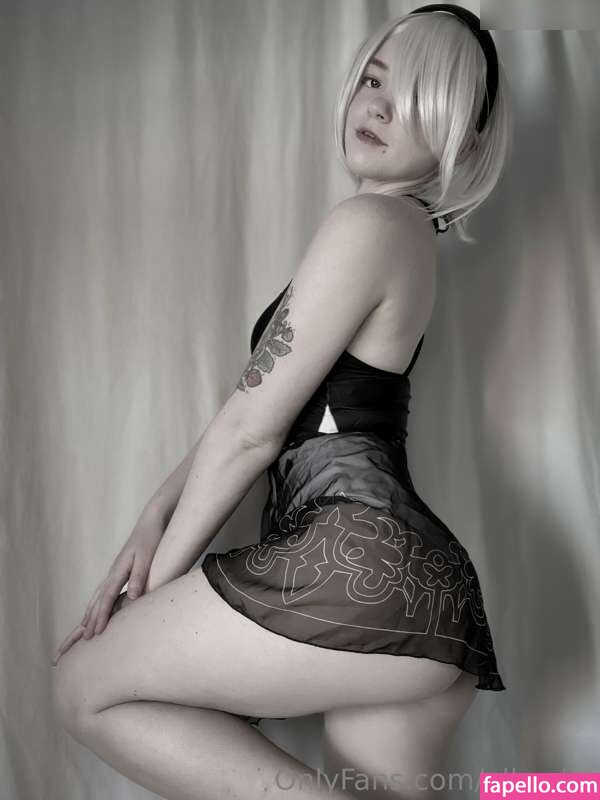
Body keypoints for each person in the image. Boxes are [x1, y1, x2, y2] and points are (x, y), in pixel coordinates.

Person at [51, 5, 513, 799]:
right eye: (374, 80)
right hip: (432, 601)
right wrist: (154, 515)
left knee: (84, 685)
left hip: (358, 558)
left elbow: (251, 432)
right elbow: (260, 398)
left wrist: (152, 592)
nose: (378, 106)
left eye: (415, 97)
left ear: (462, 143)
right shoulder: (405, 237)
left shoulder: (370, 221)